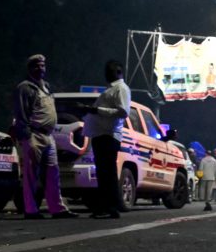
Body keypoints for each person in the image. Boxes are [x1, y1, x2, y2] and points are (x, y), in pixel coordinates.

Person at [11, 54, 77, 219]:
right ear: (30, 69)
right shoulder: (25, 88)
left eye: (42, 66)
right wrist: (26, 136)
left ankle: (57, 208)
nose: (40, 69)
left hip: (49, 136)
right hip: (34, 135)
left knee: (53, 173)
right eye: (36, 66)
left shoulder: (46, 87)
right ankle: (31, 210)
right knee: (31, 175)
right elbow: (21, 113)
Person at [86, 59, 131, 219]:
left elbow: (123, 112)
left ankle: (111, 206)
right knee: (104, 173)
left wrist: (97, 110)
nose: (106, 74)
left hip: (109, 135)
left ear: (118, 72)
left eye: (110, 71)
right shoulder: (111, 89)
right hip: (101, 135)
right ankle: (106, 205)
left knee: (107, 172)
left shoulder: (121, 89)